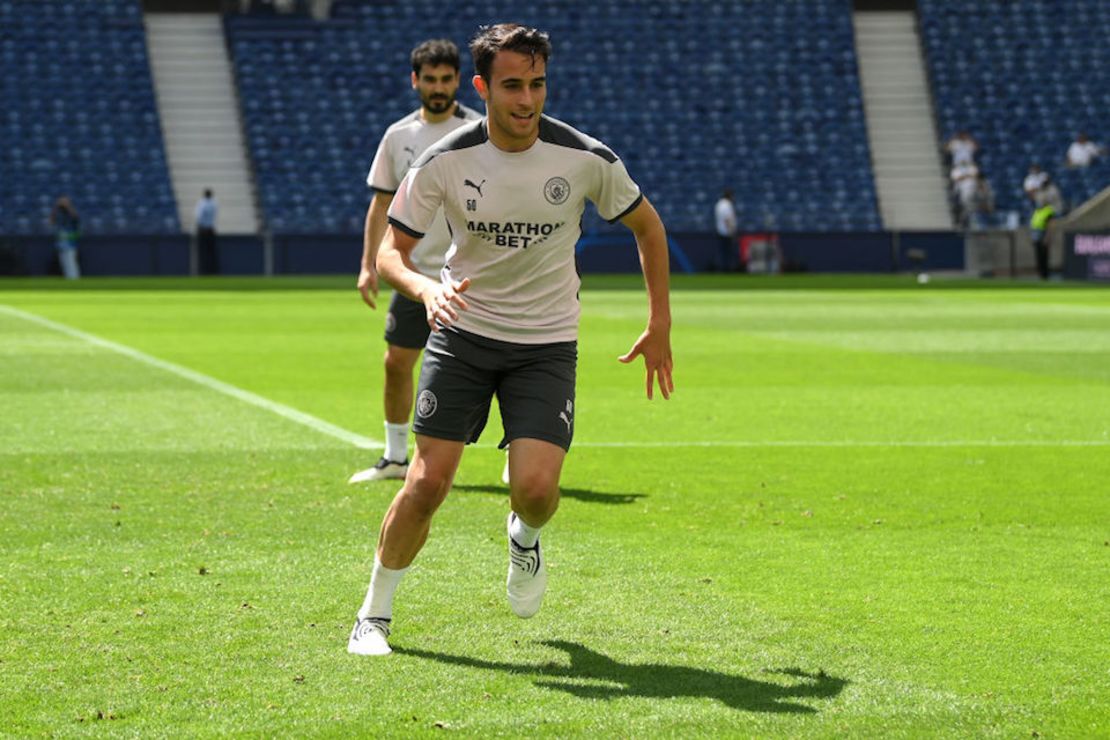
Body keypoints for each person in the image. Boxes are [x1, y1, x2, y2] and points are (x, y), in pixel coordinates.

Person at [347, 23, 674, 656]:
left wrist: (659, 322)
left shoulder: (586, 157)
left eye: (538, 84)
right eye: (513, 86)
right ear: (484, 87)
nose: (527, 100)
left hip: (546, 345)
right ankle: (373, 614)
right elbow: (393, 251)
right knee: (426, 484)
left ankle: (524, 537)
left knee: (536, 491)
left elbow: (648, 225)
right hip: (463, 335)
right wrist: (424, 290)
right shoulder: (443, 160)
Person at [349, 39, 483, 484]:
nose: (439, 87)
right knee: (395, 362)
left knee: (495, 365)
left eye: (447, 79)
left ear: (458, 80)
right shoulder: (398, 136)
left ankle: (515, 452)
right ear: (416, 81)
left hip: (471, 277)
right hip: (415, 275)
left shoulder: (481, 131)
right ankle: (394, 457)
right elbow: (380, 204)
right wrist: (369, 263)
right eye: (430, 79)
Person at [1030, 176, 1065, 280]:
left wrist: (1047, 238)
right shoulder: (1037, 211)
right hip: (1036, 236)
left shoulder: (1048, 211)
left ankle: (1045, 275)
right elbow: (1033, 225)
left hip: (1043, 236)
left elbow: (1050, 225)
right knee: (1038, 257)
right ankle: (1041, 274)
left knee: (1044, 257)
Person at [49, 197, 80, 280]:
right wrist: (56, 206)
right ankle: (68, 278)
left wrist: (67, 205)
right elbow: (51, 220)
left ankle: (74, 278)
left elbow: (75, 217)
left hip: (70, 240)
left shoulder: (71, 212)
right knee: (63, 261)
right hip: (61, 240)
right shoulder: (59, 213)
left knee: (71, 260)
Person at [194, 189, 218, 275]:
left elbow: (199, 216)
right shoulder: (214, 203)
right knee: (212, 252)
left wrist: (199, 226)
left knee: (202, 252)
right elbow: (215, 215)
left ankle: (202, 271)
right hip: (211, 229)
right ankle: (213, 272)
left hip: (202, 229)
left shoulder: (202, 203)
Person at [713, 188, 738, 272]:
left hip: (719, 231)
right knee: (728, 252)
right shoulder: (727, 205)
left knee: (721, 251)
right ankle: (727, 269)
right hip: (726, 232)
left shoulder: (719, 204)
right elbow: (727, 219)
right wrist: (731, 231)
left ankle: (721, 267)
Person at [950, 161, 979, 228]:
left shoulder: (972, 167)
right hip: (959, 192)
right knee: (961, 207)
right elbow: (956, 179)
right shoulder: (956, 170)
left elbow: (975, 176)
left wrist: (963, 177)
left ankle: (967, 221)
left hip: (972, 191)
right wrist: (968, 176)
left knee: (970, 207)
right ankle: (961, 221)